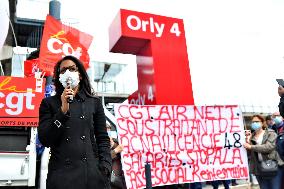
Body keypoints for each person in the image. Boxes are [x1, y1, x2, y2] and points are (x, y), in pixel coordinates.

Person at [38, 55, 111, 189]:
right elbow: (45, 139)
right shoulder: (48, 103)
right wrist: (63, 111)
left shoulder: (94, 102)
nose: (68, 73)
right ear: (59, 77)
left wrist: (105, 167)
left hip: (92, 176)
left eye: (72, 69)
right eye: (63, 70)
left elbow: (103, 139)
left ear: (80, 75)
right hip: (62, 178)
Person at [243, 114, 283, 189]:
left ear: (262, 122)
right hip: (259, 168)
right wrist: (247, 142)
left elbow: (269, 147)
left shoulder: (271, 133)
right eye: (253, 122)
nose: (254, 123)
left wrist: (251, 146)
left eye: (257, 121)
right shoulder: (251, 136)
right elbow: (249, 153)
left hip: (273, 166)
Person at [106, 123, 127, 189]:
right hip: (109, 180)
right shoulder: (95, 144)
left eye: (108, 129)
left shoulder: (116, 141)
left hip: (121, 178)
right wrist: (115, 151)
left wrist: (113, 145)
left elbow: (123, 149)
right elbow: (103, 159)